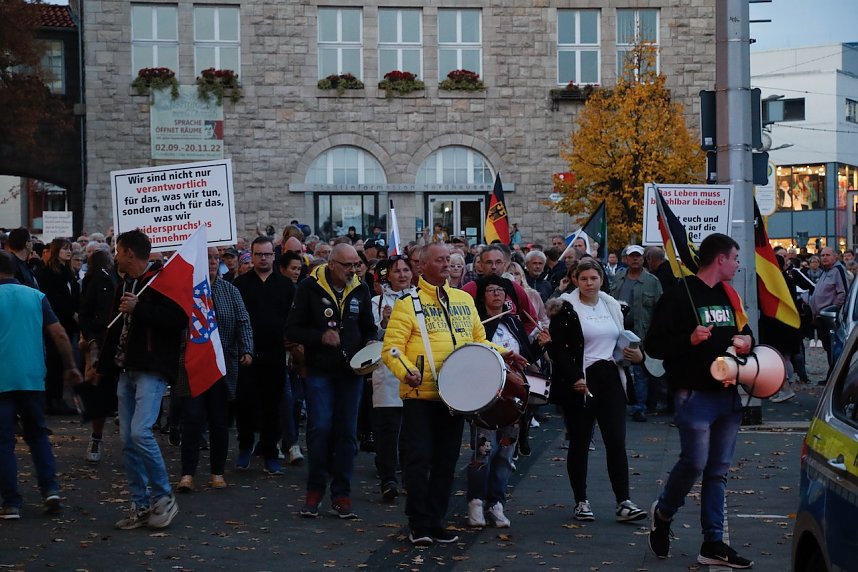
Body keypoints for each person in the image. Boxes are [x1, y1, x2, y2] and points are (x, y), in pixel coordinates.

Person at [381, 242, 528, 546]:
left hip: (456, 397)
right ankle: (418, 522)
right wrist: (407, 369)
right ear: (422, 266)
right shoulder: (408, 304)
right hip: (420, 395)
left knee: (447, 462)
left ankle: (437, 520)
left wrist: (505, 353)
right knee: (419, 461)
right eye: (440, 260)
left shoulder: (463, 299)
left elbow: (477, 340)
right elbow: (391, 349)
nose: (447, 264)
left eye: (449, 259)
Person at [646, 233, 755, 568]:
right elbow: (654, 346)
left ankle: (713, 542)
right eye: (735, 258)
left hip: (727, 393)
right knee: (695, 462)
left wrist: (746, 341)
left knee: (718, 471)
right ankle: (664, 514)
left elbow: (748, 332)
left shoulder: (729, 294)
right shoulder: (679, 295)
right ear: (720, 259)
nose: (737, 264)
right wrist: (688, 339)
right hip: (693, 393)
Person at [545, 259, 647, 525]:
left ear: (602, 279)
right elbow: (557, 349)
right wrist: (576, 378)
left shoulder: (611, 305)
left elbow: (626, 339)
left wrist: (636, 355)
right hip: (581, 379)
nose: (590, 283)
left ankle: (623, 501)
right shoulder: (565, 308)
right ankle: (581, 501)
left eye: (594, 278)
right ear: (575, 280)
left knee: (616, 441)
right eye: (584, 279)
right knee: (580, 442)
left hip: (610, 376)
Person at [99, 230, 186, 530]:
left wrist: (140, 308)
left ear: (130, 253)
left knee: (140, 432)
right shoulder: (125, 283)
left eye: (118, 251)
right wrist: (100, 363)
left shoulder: (161, 281)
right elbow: (116, 325)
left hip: (152, 368)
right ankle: (140, 504)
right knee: (127, 440)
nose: (115, 255)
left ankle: (164, 496)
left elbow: (177, 320)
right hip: (127, 368)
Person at [286, 243, 378, 519]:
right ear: (332, 264)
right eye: (348, 265)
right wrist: (319, 337)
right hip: (319, 371)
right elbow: (291, 328)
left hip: (351, 374)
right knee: (321, 428)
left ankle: (342, 494)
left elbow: (368, 327)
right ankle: (315, 490)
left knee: (347, 433)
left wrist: (372, 341)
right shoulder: (308, 288)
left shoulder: (360, 289)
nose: (353, 270)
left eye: (356, 265)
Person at [0, 251, 82, 519]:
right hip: (32, 376)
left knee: (3, 442)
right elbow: (58, 333)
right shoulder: (35, 296)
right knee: (37, 435)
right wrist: (70, 366)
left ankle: (11, 502)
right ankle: (50, 489)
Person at [467, 275, 548, 528]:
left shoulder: (513, 322)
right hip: (487, 396)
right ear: (483, 297)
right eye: (491, 290)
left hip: (514, 396)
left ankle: (497, 503)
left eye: (501, 291)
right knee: (484, 451)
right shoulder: (478, 324)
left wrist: (540, 346)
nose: (497, 294)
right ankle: (476, 503)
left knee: (505, 452)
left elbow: (525, 356)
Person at [175, 247, 253, 492]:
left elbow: (243, 321)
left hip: (221, 366)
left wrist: (247, 349)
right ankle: (187, 473)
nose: (211, 262)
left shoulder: (230, 291)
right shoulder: (185, 290)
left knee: (219, 421)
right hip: (193, 366)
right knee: (192, 419)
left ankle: (217, 472)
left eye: (215, 258)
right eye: (207, 257)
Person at [232, 236, 295, 474]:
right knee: (245, 403)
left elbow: (292, 317)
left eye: (267, 254)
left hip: (275, 353)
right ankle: (245, 446)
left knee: (273, 404)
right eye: (258, 254)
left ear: (274, 255)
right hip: (246, 354)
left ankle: (270, 451)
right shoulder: (240, 285)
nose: (263, 258)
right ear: (251, 255)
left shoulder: (286, 285)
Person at [369, 256, 414, 501]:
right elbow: (372, 336)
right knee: (387, 430)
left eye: (406, 270)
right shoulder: (377, 302)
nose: (402, 275)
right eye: (397, 271)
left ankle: (409, 475)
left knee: (410, 430)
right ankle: (388, 478)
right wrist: (385, 323)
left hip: (413, 373)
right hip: (387, 373)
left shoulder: (420, 300)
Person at [610, 245, 663, 422]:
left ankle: (640, 407)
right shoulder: (618, 278)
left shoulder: (652, 281)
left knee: (639, 370)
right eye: (631, 256)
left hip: (641, 332)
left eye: (638, 256)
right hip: (618, 330)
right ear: (625, 259)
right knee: (618, 367)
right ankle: (619, 403)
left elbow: (659, 309)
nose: (634, 259)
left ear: (643, 259)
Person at [77, 249, 119, 462]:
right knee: (99, 388)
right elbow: (84, 312)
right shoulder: (97, 280)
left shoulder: (134, 280)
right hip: (103, 341)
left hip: (128, 343)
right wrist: (92, 339)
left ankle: (133, 440)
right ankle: (96, 437)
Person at [37, 238, 81, 415]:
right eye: (64, 249)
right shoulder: (49, 273)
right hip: (56, 322)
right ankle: (52, 399)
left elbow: (72, 295)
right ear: (56, 251)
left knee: (61, 361)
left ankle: (57, 397)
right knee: (54, 361)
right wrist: (72, 312)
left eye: (69, 249)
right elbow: (55, 298)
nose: (68, 252)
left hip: (68, 323)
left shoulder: (68, 273)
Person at [809, 247, 848, 376]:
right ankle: (831, 374)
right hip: (821, 316)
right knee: (827, 347)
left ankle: (835, 375)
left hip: (830, 317)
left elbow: (843, 292)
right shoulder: (825, 271)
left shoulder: (838, 270)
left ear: (835, 256)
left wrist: (833, 308)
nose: (824, 257)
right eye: (822, 255)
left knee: (833, 347)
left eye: (827, 255)